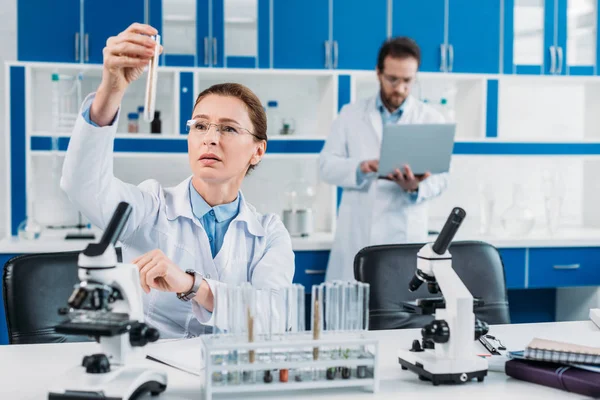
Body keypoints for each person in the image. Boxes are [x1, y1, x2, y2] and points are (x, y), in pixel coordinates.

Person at [60, 23, 294, 338]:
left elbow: (273, 316)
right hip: (156, 370)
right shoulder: (150, 205)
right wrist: (111, 90)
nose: (210, 139)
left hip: (228, 374)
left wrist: (190, 285)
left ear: (258, 150)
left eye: (227, 128)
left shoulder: (269, 234)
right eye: (200, 126)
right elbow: (82, 186)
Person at [319, 37, 449, 282]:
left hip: (405, 238)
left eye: (408, 80)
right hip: (358, 235)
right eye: (392, 79)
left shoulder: (430, 118)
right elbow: (325, 166)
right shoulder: (351, 114)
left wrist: (415, 187)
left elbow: (442, 178)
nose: (399, 88)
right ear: (378, 73)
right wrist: (361, 167)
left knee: (401, 313)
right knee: (353, 316)